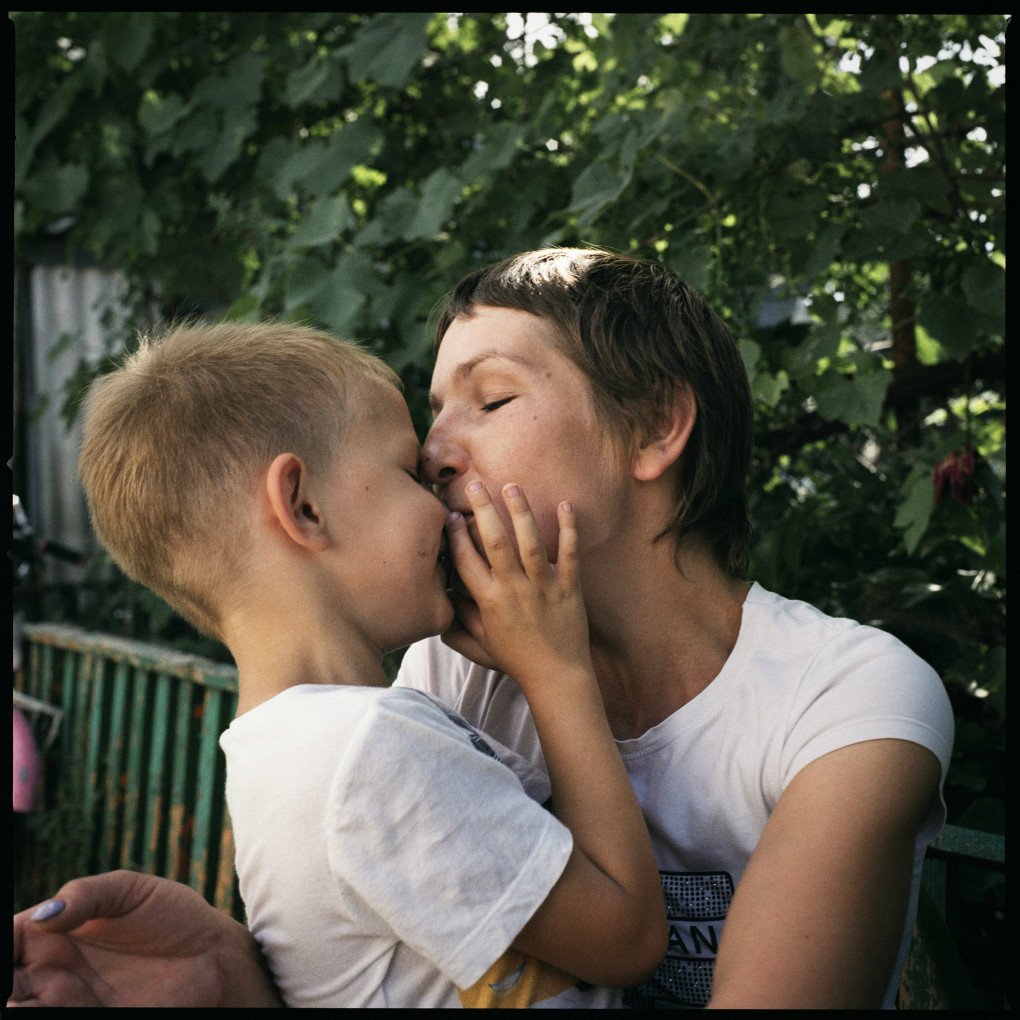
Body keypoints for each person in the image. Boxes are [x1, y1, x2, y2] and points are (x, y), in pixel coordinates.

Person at [9, 248, 954, 1009]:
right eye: (429, 418)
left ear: (657, 429)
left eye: (491, 400)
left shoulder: (848, 702)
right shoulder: (448, 678)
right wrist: (233, 979)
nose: (432, 452)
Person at [10, 320, 666, 1009]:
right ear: (303, 506)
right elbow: (628, 937)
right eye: (408, 471)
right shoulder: (368, 747)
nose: (439, 495)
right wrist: (556, 669)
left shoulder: (281, 753)